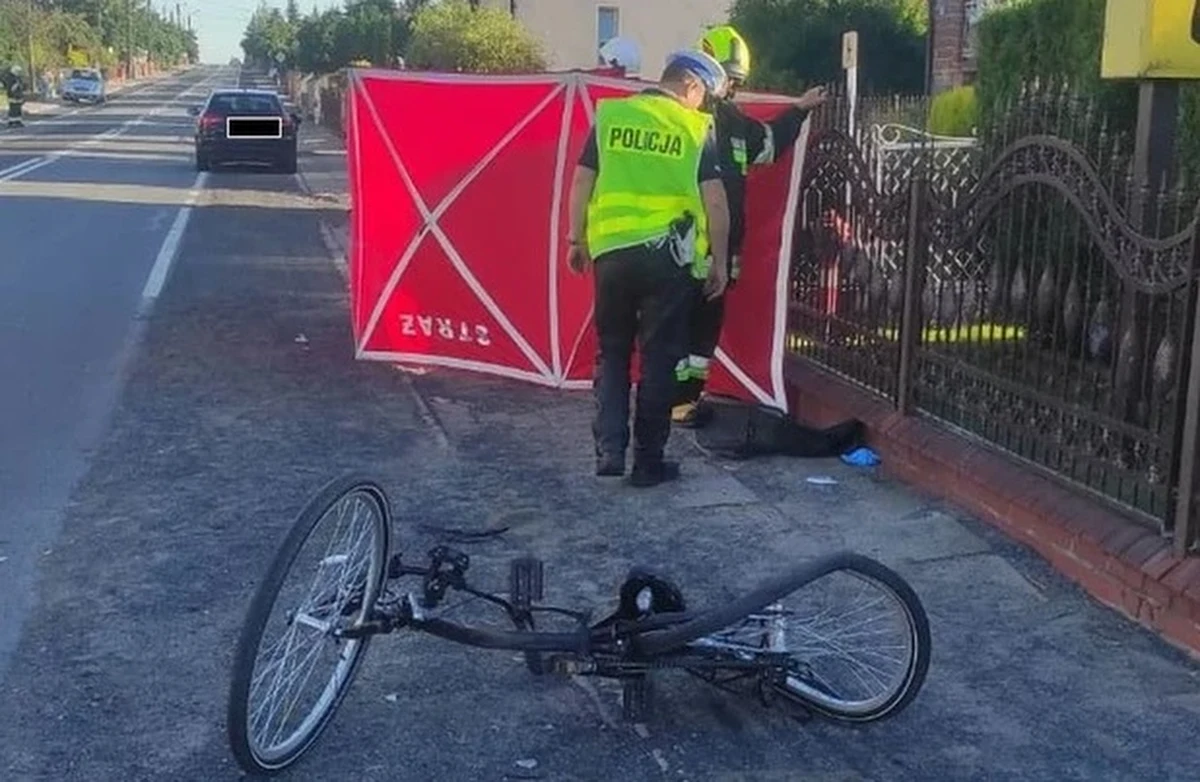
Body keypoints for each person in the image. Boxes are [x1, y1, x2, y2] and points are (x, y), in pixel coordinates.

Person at [567, 50, 732, 487]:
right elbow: (715, 200)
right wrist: (718, 259)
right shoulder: (694, 128)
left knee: (614, 350)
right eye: (705, 96)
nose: (704, 106)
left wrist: (576, 238)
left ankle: (609, 450)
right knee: (659, 359)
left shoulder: (612, 116)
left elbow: (582, 180)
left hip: (613, 255)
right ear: (691, 86)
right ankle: (647, 463)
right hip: (669, 261)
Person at [672, 25, 829, 427]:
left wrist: (799, 109)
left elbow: (769, 144)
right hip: (680, 247)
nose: (731, 91)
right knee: (676, 328)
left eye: (736, 83)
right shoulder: (677, 119)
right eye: (727, 81)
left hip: (719, 251)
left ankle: (683, 402)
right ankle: (671, 401)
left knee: (701, 333)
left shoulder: (733, 121)